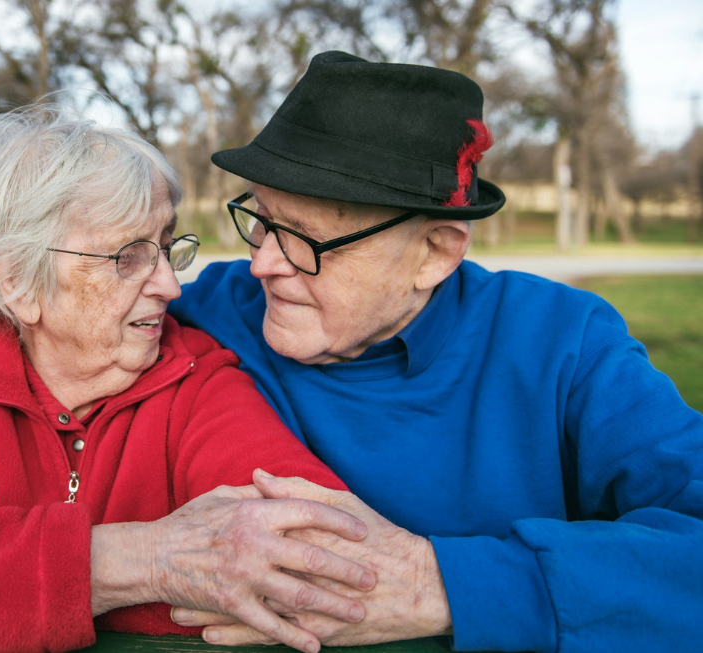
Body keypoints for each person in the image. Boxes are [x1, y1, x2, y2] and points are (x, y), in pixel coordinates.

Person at [0, 104, 380, 653]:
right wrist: (147, 562)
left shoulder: (197, 377)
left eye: (166, 246)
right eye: (126, 256)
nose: (169, 284)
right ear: (18, 280)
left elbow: (324, 565)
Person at [168, 51, 703, 652]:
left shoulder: (560, 342)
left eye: (306, 240)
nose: (262, 263)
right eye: (262, 220)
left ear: (436, 254)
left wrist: (439, 584)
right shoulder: (201, 310)